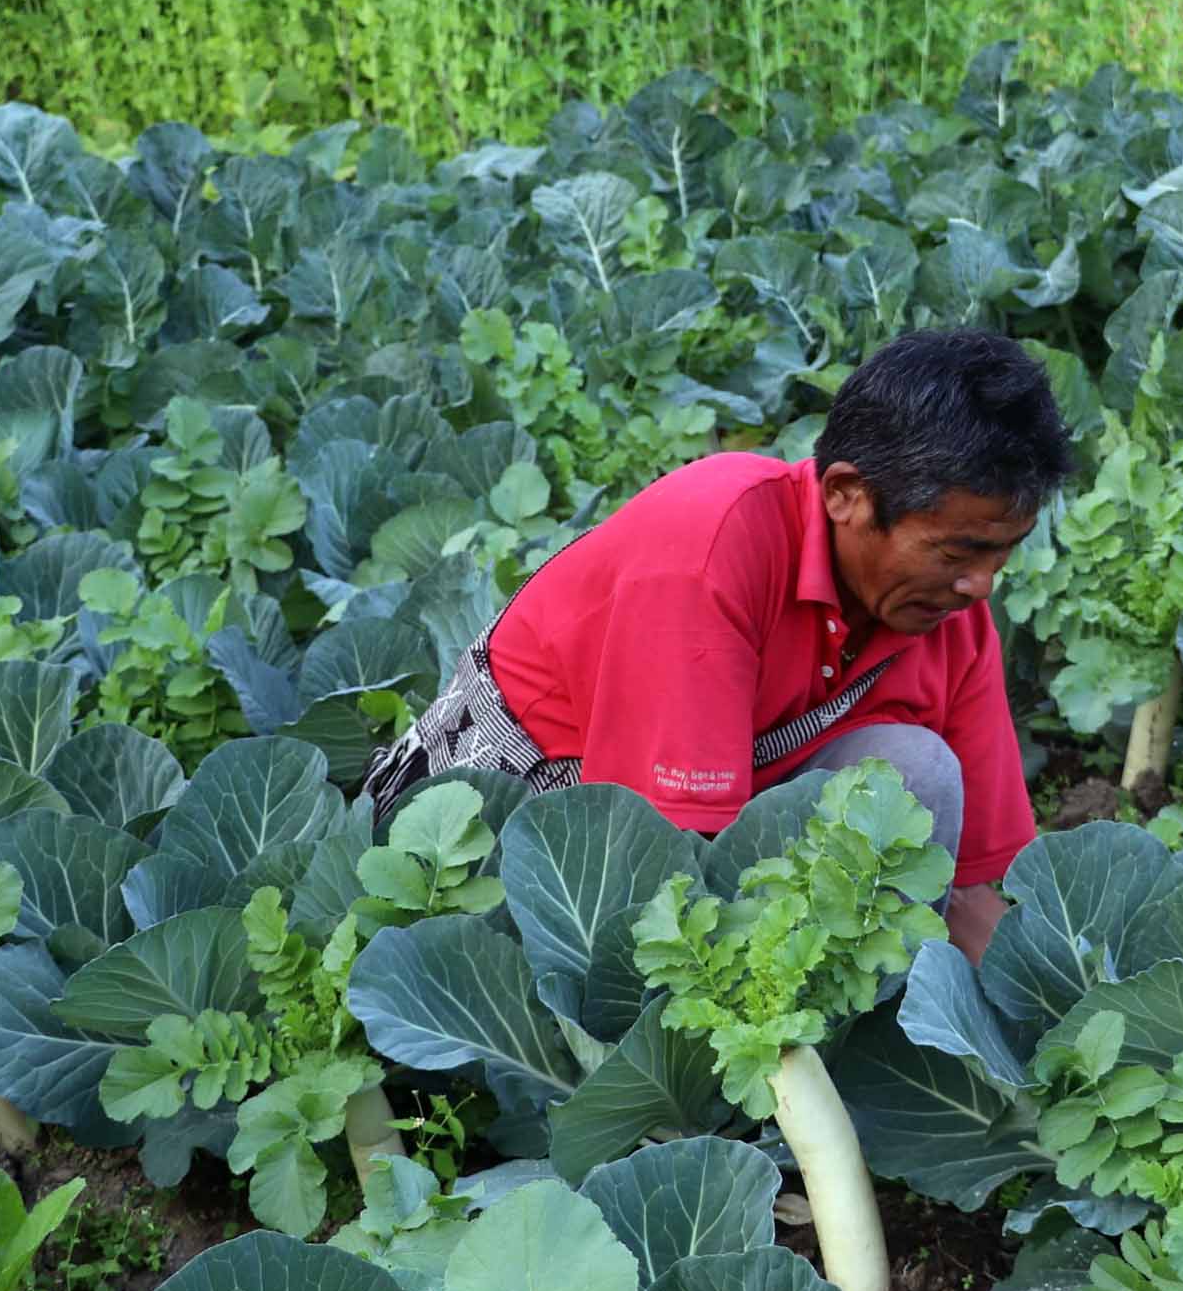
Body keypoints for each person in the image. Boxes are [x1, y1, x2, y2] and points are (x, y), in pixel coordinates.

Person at [362, 328, 1070, 963]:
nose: (981, 585)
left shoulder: (947, 612)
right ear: (846, 495)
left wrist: (1044, 1030)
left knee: (917, 771)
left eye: (1001, 555)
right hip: (517, 849)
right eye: (957, 550)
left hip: (713, 842)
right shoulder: (709, 547)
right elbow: (661, 876)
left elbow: (972, 895)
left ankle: (871, 1057)